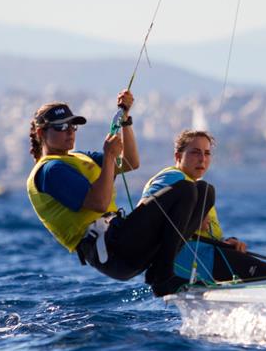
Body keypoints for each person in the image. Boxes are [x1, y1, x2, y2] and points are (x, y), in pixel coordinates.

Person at [26, 90, 217, 296]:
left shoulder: (79, 157)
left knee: (204, 190)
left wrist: (125, 120)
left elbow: (130, 162)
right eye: (61, 127)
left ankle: (162, 269)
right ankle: (163, 276)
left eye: (73, 126)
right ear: (40, 134)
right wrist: (108, 156)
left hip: (123, 238)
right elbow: (99, 203)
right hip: (112, 251)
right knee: (186, 189)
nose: (70, 132)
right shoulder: (49, 171)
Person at [140, 129, 266, 295]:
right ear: (178, 156)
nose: (202, 159)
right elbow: (146, 214)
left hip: (204, 259)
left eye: (207, 153)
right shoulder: (172, 177)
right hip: (196, 260)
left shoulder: (194, 185)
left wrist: (225, 242)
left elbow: (196, 230)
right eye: (195, 153)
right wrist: (191, 215)